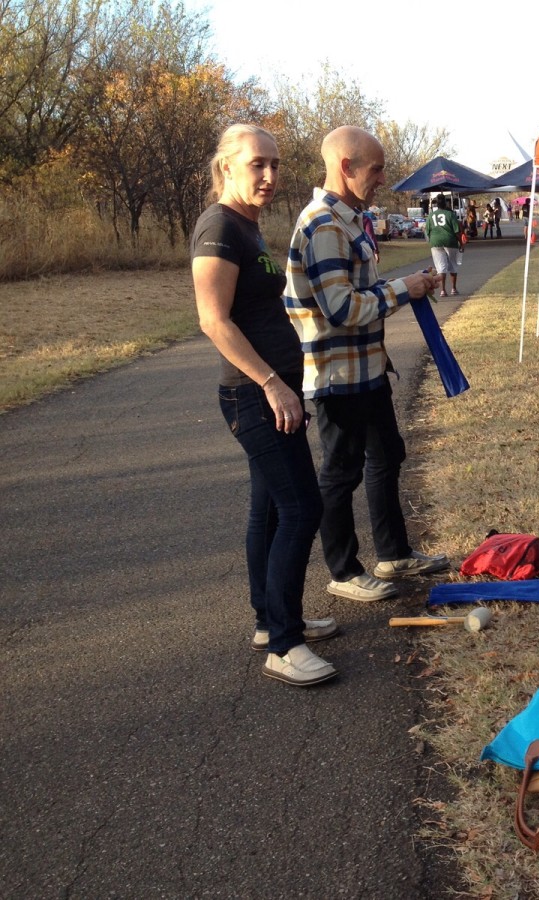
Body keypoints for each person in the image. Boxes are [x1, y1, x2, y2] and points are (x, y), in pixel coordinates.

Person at [191, 123, 338, 687]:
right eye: (257, 164)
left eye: (275, 164)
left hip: (267, 392)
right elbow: (213, 320)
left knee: (271, 510)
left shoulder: (247, 227)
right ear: (227, 166)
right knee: (303, 509)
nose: (270, 175)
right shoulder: (219, 228)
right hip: (254, 397)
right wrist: (274, 384)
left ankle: (269, 620)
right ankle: (284, 643)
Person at [285, 125, 450, 604]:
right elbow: (341, 308)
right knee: (341, 472)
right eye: (375, 169)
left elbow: (359, 294)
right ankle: (343, 570)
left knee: (387, 455)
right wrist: (405, 289)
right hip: (337, 378)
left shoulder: (350, 219)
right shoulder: (323, 225)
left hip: (367, 371)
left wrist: (406, 285)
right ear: (346, 167)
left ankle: (393, 553)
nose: (381, 177)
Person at [426, 195, 461, 297]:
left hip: (435, 242)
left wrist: (431, 240)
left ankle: (443, 291)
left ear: (436, 204)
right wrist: (461, 243)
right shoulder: (450, 214)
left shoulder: (431, 215)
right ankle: (453, 289)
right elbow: (457, 231)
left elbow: (427, 231)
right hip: (450, 241)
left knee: (441, 267)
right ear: (445, 203)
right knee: (453, 264)